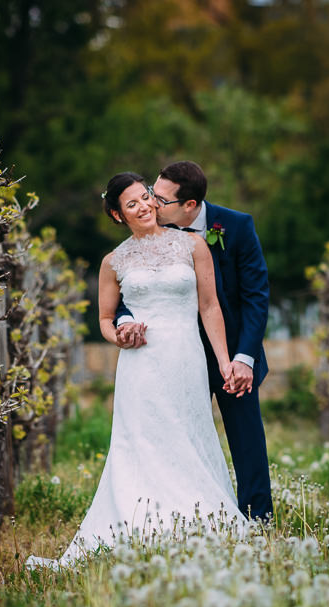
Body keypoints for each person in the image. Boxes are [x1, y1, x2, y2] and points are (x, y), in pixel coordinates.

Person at [26, 172, 248, 569]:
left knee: (187, 434)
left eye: (146, 197)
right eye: (132, 204)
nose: (144, 206)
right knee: (142, 441)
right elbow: (105, 319)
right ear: (117, 215)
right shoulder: (114, 261)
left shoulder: (193, 245)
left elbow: (209, 307)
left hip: (185, 357)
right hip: (141, 364)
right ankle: (143, 524)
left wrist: (223, 360)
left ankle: (199, 522)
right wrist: (120, 335)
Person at [116, 161, 273, 520]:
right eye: (150, 195)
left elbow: (255, 297)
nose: (151, 204)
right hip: (173, 356)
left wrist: (243, 358)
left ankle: (258, 521)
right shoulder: (148, 234)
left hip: (231, 355)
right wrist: (126, 320)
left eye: (160, 199)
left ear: (189, 205)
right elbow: (129, 286)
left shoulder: (236, 226)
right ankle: (176, 517)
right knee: (176, 439)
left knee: (247, 440)